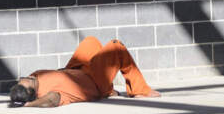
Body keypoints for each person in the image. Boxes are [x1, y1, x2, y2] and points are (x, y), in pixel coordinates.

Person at [9, 36, 160, 108]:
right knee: (116, 46)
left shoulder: (33, 79)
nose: (29, 77)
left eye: (24, 78)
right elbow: (51, 101)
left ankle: (108, 90)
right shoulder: (49, 94)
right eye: (29, 80)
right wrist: (29, 105)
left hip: (77, 70)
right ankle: (140, 90)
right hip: (94, 82)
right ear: (32, 92)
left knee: (90, 42)